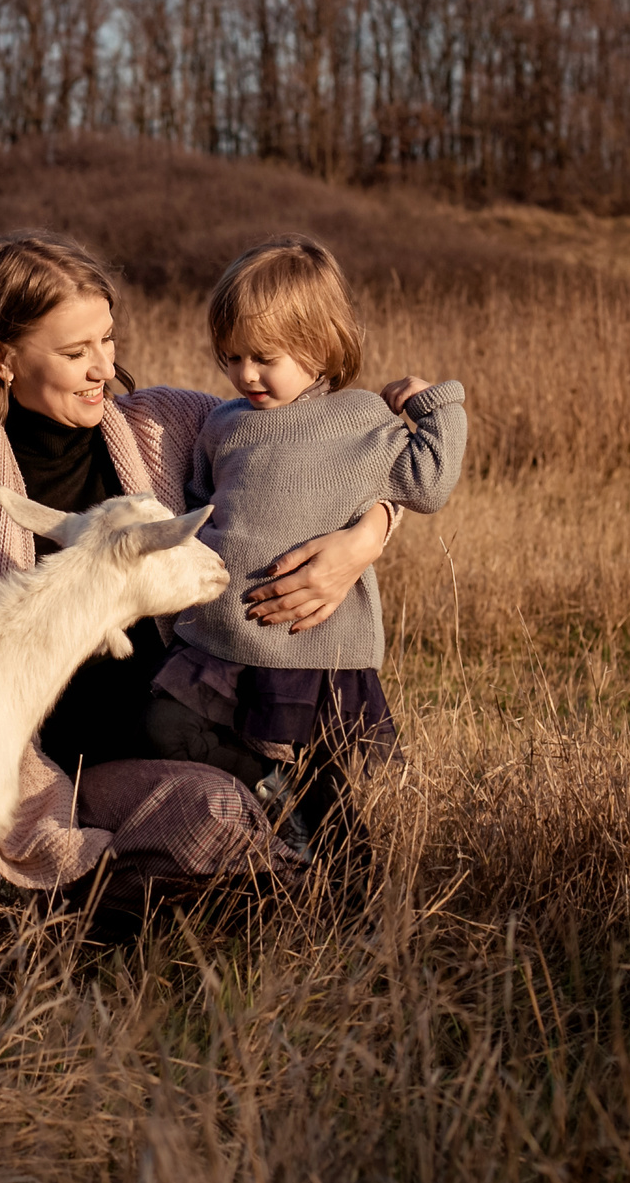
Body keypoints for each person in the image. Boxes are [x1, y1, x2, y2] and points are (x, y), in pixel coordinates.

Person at [0, 229, 397, 895]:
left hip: (210, 722)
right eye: (77, 351)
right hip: (77, 758)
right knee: (217, 818)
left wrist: (366, 537)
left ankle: (297, 879)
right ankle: (113, 890)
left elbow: (324, 448)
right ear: (3, 360)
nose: (103, 367)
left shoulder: (167, 424)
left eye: (107, 340)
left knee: (261, 810)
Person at [147, 234, 466, 855]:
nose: (245, 374)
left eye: (263, 357)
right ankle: (270, 788)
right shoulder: (223, 423)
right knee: (163, 726)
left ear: (320, 345)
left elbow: (429, 485)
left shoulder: (360, 418)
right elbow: (199, 506)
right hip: (221, 637)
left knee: (329, 782)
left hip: (311, 643)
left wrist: (435, 404)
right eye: (231, 358)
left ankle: (351, 899)